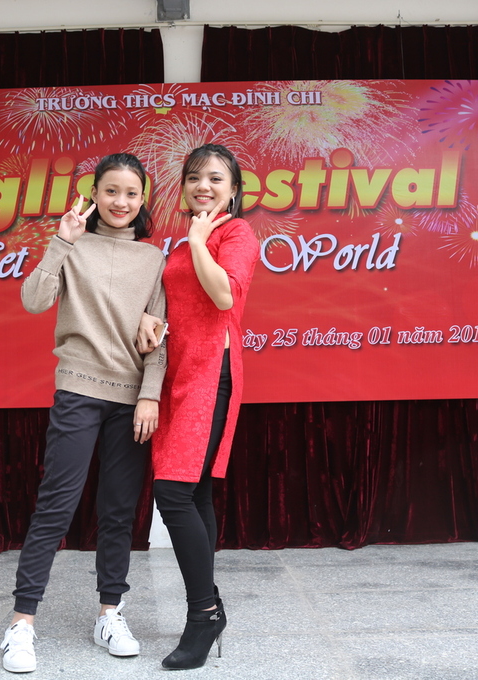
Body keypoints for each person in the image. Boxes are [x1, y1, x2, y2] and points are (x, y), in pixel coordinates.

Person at [0, 153, 167, 674]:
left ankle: (110, 614)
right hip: (78, 388)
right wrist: (61, 241)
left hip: (131, 400)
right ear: (93, 194)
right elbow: (33, 300)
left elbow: (159, 336)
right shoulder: (73, 245)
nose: (121, 201)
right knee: (56, 505)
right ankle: (21, 624)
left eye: (131, 193)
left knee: (118, 511)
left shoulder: (154, 259)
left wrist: (151, 393)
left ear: (143, 199)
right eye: (111, 191)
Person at [140, 144, 259, 670]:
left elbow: (224, 297)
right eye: (193, 177)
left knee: (172, 493)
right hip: (178, 375)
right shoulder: (183, 242)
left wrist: (196, 240)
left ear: (233, 189)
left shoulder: (236, 234)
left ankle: (203, 613)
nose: (202, 186)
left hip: (212, 375)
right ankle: (209, 607)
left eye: (214, 178)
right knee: (197, 492)